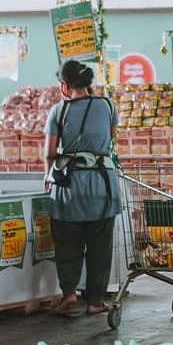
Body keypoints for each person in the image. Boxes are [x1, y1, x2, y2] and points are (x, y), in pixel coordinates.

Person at [45, 60, 120, 317]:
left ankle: (68, 294)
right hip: (102, 184)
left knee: (67, 243)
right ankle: (95, 301)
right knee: (100, 246)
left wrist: (47, 175)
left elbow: (49, 152)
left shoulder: (58, 111)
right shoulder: (108, 106)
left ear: (65, 85)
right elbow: (110, 142)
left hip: (69, 187)